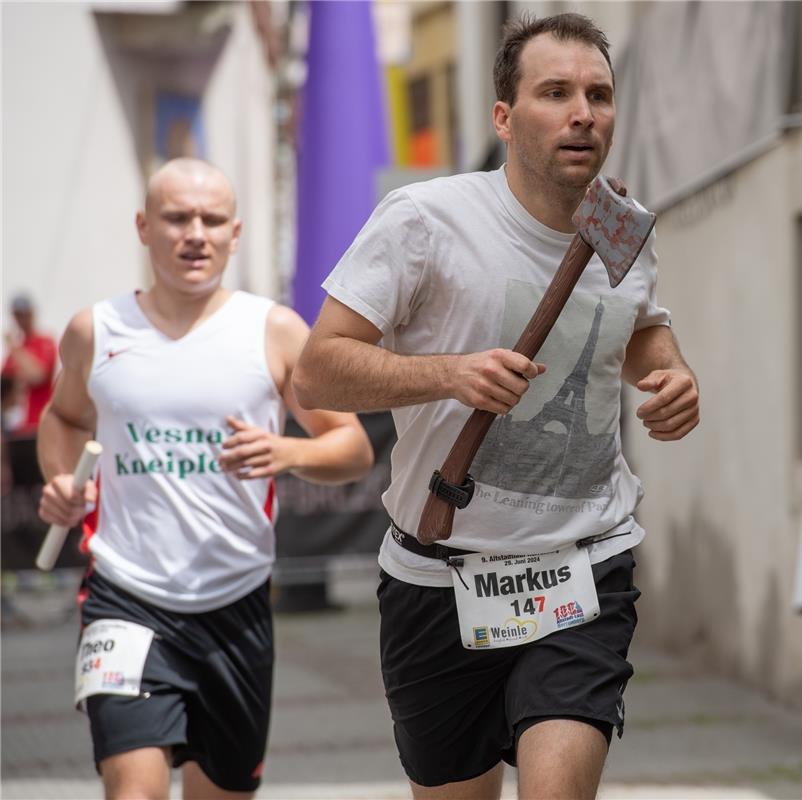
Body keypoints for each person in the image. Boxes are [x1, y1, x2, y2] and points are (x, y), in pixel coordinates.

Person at [293, 12, 700, 800]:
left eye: (598, 95)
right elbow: (317, 373)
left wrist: (672, 375)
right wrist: (446, 374)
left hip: (582, 564)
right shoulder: (425, 221)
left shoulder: (623, 227)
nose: (583, 112)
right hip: (437, 579)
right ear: (504, 119)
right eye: (555, 93)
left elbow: (640, 324)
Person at [37, 157, 374, 800]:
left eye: (212, 219)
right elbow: (62, 417)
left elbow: (352, 446)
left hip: (236, 604)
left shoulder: (271, 330)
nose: (196, 233)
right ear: (143, 227)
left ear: (235, 233)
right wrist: (60, 478)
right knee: (133, 791)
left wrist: (286, 452)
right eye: (177, 217)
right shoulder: (95, 330)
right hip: (124, 597)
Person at [2, 294, 57, 437]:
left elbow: (38, 376)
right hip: (16, 428)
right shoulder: (16, 350)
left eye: (25, 314)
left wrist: (15, 349)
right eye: (18, 316)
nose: (22, 320)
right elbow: (5, 386)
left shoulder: (44, 341)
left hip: (38, 426)